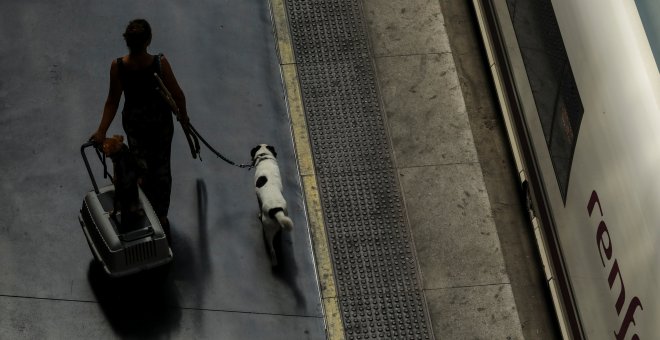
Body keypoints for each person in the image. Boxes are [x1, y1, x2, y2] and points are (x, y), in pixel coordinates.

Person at [91, 19, 189, 239]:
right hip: (160, 125)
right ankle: (161, 218)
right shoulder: (159, 63)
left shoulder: (118, 66)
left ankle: (138, 209)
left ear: (128, 41)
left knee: (140, 167)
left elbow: (112, 101)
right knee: (161, 169)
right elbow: (178, 94)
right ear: (149, 40)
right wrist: (183, 117)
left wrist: (101, 130)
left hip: (135, 125)